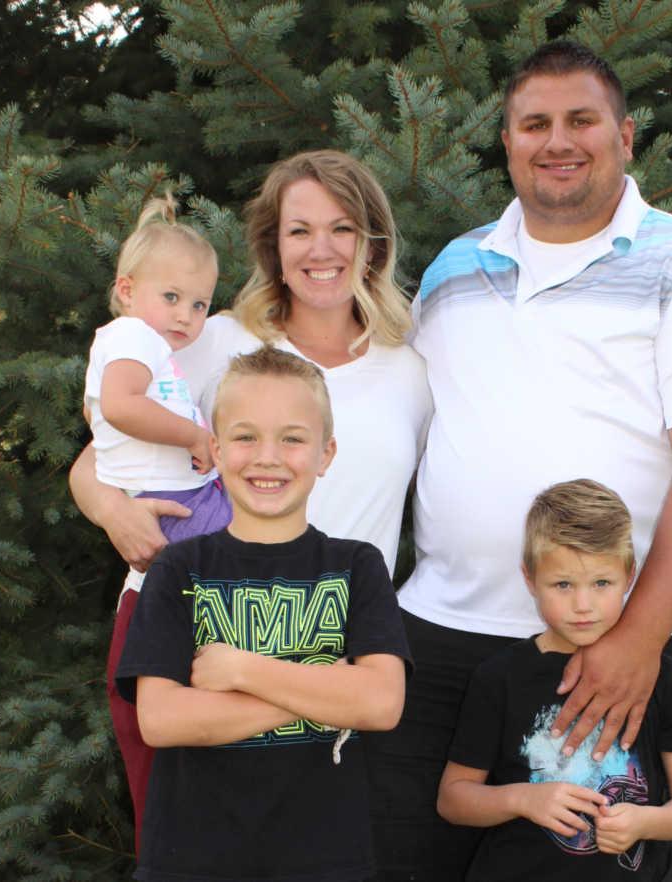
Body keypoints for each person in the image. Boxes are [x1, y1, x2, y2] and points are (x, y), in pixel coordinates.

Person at [370, 40, 672, 879]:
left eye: (581, 120)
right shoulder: (452, 271)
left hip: (611, 646)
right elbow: (377, 413)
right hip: (441, 638)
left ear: (624, 135)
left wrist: (639, 639)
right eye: (534, 123)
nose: (559, 140)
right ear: (507, 142)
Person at [69, 150, 431, 850]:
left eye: (343, 228)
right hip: (192, 621)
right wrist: (114, 512)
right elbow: (97, 459)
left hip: (336, 639)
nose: (320, 250)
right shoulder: (218, 341)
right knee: (185, 844)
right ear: (272, 245)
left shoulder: (411, 367)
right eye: (299, 231)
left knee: (316, 852)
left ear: (373, 243)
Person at [115, 344, 411, 881]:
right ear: (216, 450)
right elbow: (162, 720)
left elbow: (382, 702)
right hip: (193, 858)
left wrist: (244, 672)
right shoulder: (179, 568)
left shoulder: (357, 565)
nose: (267, 456)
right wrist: (329, 690)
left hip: (328, 858)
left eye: (293, 438)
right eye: (246, 436)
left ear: (326, 454)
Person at [437, 480, 672, 881]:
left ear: (629, 576)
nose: (583, 605)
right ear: (530, 579)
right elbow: (454, 799)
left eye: (601, 583)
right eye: (563, 584)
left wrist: (643, 823)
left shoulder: (660, 676)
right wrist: (521, 798)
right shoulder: (499, 678)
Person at [83, 192, 232, 849]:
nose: (188, 316)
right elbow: (117, 406)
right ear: (127, 290)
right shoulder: (128, 337)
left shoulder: (150, 343)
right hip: (176, 507)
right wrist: (197, 438)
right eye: (172, 297)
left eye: (198, 304)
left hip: (182, 500)